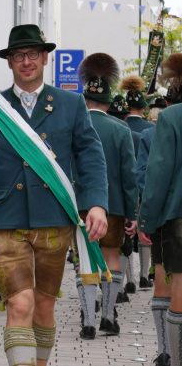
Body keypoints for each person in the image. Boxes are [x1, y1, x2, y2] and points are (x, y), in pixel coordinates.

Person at [0, 24, 108, 366]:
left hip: (54, 219)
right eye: (18, 56)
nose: (26, 61)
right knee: (19, 303)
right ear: (9, 62)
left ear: (44, 58)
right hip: (5, 220)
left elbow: (90, 157)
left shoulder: (71, 105)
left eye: (32, 54)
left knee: (43, 305)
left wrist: (97, 203)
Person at [76, 53, 138, 339]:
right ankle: (109, 316)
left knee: (85, 259)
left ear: (85, 97)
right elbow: (129, 176)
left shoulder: (74, 126)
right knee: (111, 255)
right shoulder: (121, 129)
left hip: (78, 205)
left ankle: (88, 320)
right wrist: (132, 212)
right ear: (109, 101)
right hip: (112, 205)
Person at [138, 53, 182, 366]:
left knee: (177, 285)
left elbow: (158, 173)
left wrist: (147, 220)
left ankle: (173, 356)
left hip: (178, 214)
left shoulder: (172, 117)